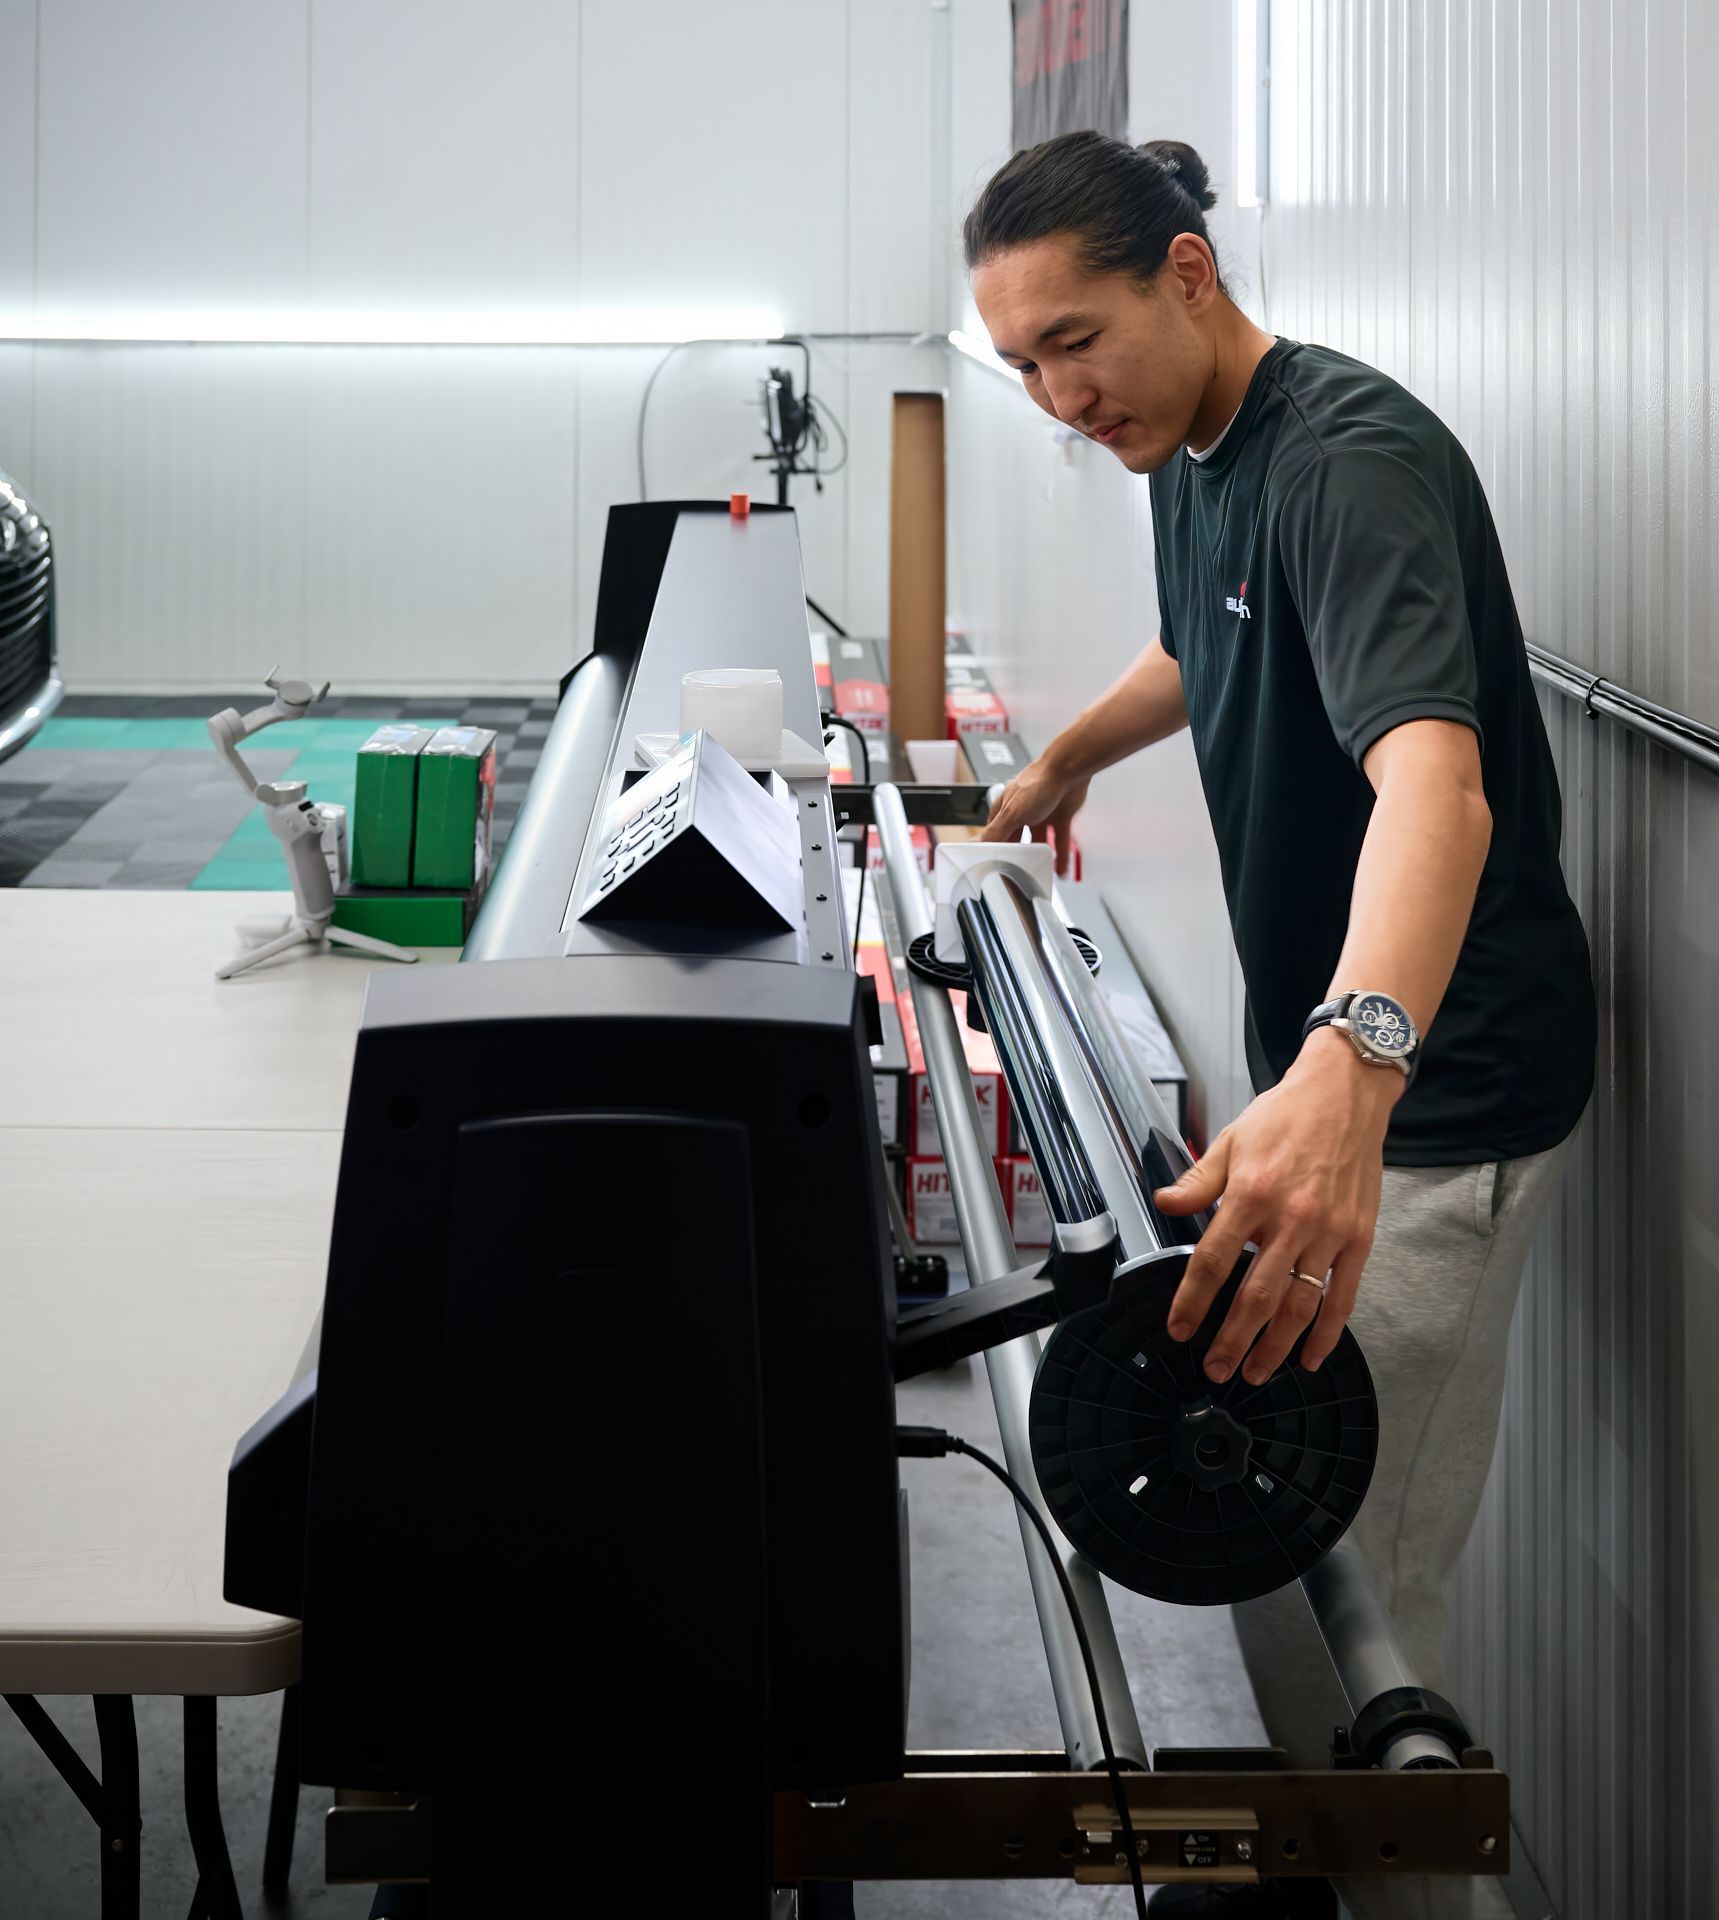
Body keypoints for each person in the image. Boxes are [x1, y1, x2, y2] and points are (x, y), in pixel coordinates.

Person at [965, 132, 1596, 1920]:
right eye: (1020, 363)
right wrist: (1070, 753)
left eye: (1073, 341)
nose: (1055, 395)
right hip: (1351, 1068)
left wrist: (1351, 1069)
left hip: (1439, 1093)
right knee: (1297, 1587)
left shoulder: (1351, 462)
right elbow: (1209, 641)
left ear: (1187, 274)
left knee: (1345, 1635)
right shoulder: (1189, 438)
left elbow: (1437, 791)